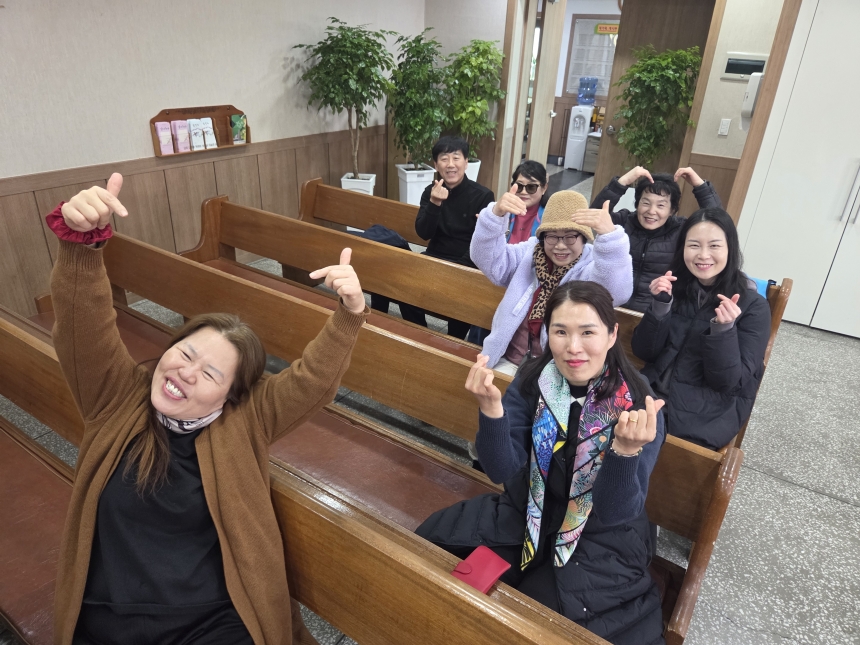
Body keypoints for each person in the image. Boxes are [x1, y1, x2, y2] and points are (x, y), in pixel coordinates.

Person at [50, 174, 369, 645]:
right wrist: (82, 244)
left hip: (211, 622)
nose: (186, 372)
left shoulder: (247, 420)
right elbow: (83, 322)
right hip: (108, 618)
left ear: (230, 397)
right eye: (184, 353)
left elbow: (313, 383)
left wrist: (350, 313)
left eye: (211, 374)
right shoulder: (115, 395)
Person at [416, 281, 667, 645]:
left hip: (599, 535)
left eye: (588, 332)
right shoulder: (535, 379)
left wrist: (625, 453)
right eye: (561, 332)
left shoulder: (638, 402)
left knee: (531, 621)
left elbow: (616, 512)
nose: (573, 347)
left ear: (612, 335)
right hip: (529, 511)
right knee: (435, 564)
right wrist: (491, 411)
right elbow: (501, 470)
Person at [631, 207, 771, 450]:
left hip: (704, 416)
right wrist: (659, 307)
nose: (703, 255)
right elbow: (644, 352)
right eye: (694, 245)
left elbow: (728, 382)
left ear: (730, 248)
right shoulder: (676, 288)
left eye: (714, 246)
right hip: (651, 397)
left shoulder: (753, 306)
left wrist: (724, 331)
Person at [471, 187, 633, 376]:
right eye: (552, 236)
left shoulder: (591, 266)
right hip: (507, 359)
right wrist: (495, 217)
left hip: (558, 371)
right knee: (483, 386)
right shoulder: (530, 253)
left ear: (584, 238)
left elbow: (615, 293)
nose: (560, 245)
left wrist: (610, 237)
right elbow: (489, 261)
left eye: (570, 236)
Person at [590, 166, 723, 312]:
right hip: (611, 306)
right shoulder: (623, 221)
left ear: (672, 210)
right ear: (637, 204)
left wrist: (701, 187)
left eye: (661, 205)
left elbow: (718, 223)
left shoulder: (681, 230)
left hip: (655, 312)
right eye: (646, 203)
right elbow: (594, 216)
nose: (651, 211)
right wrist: (623, 182)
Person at [416, 136, 495, 339]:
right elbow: (423, 234)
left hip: (466, 265)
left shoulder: (483, 196)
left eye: (456, 158)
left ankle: (454, 344)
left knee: (463, 298)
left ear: (466, 162)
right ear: (436, 165)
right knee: (404, 284)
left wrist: (453, 272)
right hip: (434, 258)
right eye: (444, 159)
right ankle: (420, 333)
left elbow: (481, 243)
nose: (450, 164)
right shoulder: (430, 192)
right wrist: (434, 203)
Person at [466, 159, 550, 346]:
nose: (524, 192)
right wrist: (489, 227)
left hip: (527, 285)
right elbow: (487, 255)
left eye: (531, 187)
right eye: (519, 186)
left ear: (544, 188)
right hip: (497, 278)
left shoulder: (549, 218)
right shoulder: (503, 211)